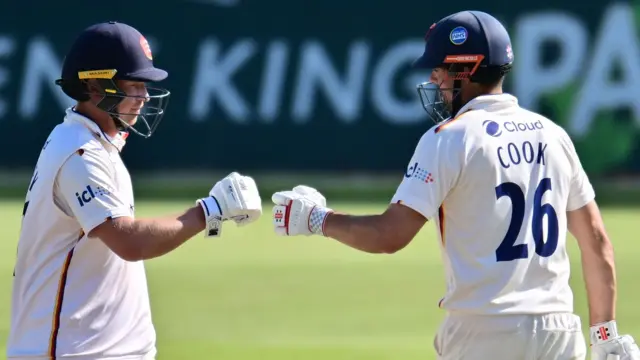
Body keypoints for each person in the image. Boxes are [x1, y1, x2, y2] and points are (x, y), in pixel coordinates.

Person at [270, 10, 640, 360]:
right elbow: (596, 240)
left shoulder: (448, 138)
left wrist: (316, 219)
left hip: (484, 330)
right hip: (559, 331)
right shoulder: (553, 134)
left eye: (440, 69)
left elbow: (389, 235)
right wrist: (605, 335)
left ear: (467, 69)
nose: (434, 79)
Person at [7, 21, 262, 360]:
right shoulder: (80, 153)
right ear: (96, 86)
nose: (143, 97)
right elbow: (129, 241)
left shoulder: (95, 145)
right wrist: (209, 211)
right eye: (134, 84)